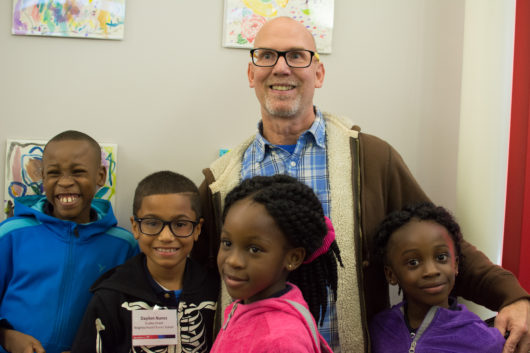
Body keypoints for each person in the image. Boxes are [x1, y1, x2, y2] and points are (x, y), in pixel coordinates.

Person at [193, 16, 530, 353]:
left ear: (319, 73)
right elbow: (189, 275)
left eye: (297, 55)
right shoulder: (220, 181)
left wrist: (511, 296)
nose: (281, 68)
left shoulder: (371, 159)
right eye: (267, 55)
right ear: (251, 73)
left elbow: (438, 240)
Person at [0, 130, 138, 353]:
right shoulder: (11, 234)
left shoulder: (124, 246)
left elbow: (128, 319)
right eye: (54, 173)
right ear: (43, 177)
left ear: (101, 176)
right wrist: (5, 336)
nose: (65, 182)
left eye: (78, 172)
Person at [72, 171, 219, 353]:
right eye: (152, 223)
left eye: (180, 224)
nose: (166, 236)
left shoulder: (216, 291)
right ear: (135, 227)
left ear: (197, 229)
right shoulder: (111, 296)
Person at [211, 175, 339, 353]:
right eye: (227, 243)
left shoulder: (280, 341)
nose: (233, 260)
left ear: (293, 258)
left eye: (254, 249)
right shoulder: (245, 305)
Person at [369, 202, 505, 352]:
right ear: (391, 274)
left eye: (441, 257)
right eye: (413, 262)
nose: (432, 271)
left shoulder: (484, 341)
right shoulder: (379, 328)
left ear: (456, 265)